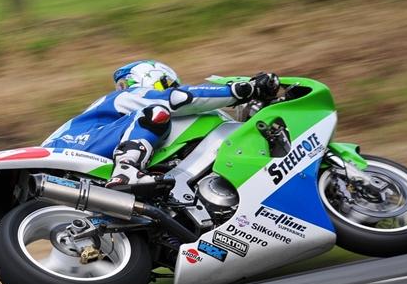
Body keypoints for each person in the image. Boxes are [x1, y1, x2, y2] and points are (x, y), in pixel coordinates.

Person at [41, 60, 280, 189]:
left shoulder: (111, 107)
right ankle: (126, 172)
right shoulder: (126, 97)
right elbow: (180, 99)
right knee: (155, 112)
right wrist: (243, 89)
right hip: (75, 150)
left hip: (77, 158)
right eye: (169, 83)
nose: (173, 88)